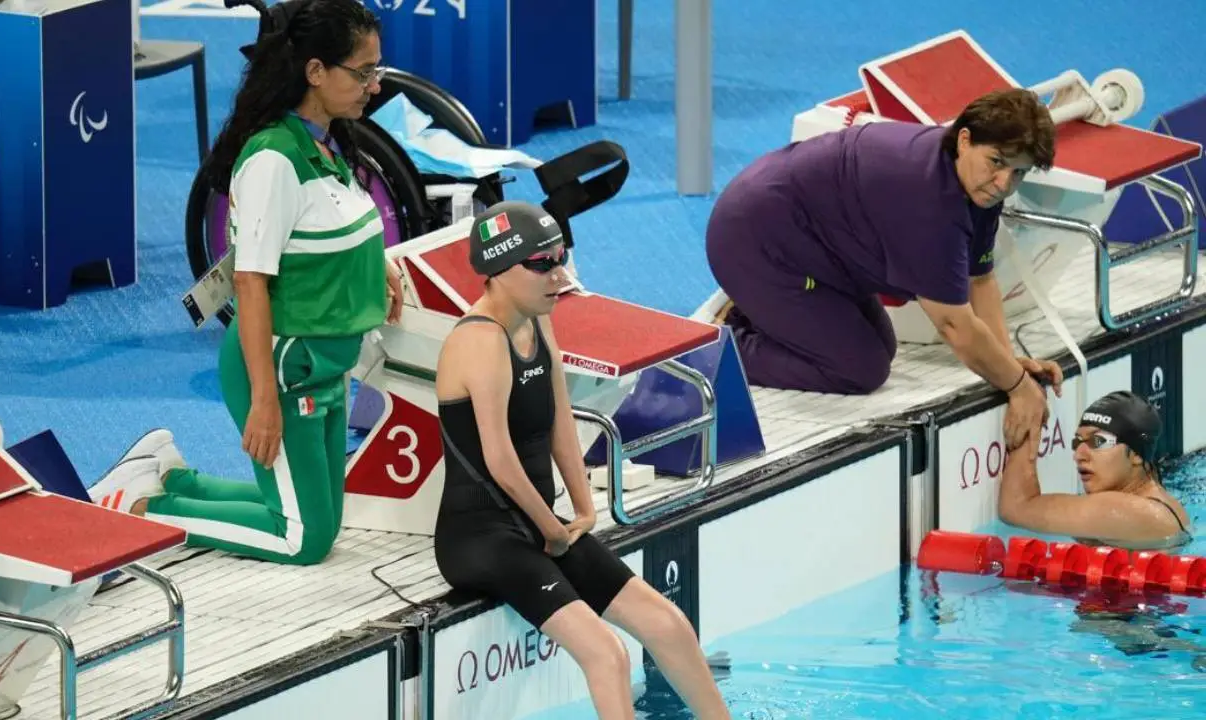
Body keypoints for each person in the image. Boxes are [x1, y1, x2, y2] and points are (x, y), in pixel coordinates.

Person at [89, 0, 403, 566]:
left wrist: (372, 262)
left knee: (321, 517)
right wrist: (264, 402)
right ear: (315, 71)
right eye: (362, 72)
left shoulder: (327, 142)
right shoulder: (272, 160)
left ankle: (175, 480)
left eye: (375, 70)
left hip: (325, 367)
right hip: (284, 368)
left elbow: (327, 225)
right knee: (302, 539)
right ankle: (141, 512)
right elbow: (251, 284)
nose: (374, 86)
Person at [432, 201, 730, 720]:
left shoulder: (537, 322)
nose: (559, 276)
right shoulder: (479, 340)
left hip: (538, 526)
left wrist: (583, 507)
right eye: (541, 264)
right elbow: (500, 459)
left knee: (667, 624)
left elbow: (560, 422)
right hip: (480, 538)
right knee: (607, 654)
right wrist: (551, 528)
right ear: (499, 270)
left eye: (560, 258)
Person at [705, 88, 1064, 451]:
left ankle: (759, 309)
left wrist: (1009, 362)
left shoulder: (976, 183)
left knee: (881, 346)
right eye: (997, 162)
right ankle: (717, 347)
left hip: (815, 243)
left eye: (1019, 172)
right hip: (752, 241)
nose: (1004, 183)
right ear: (965, 140)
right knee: (858, 368)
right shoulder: (930, 202)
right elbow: (954, 325)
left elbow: (980, 280)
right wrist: (1017, 386)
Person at [998, 391, 1193, 550]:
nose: (1079, 455)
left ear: (1136, 455)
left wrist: (1029, 407)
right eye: (1077, 442)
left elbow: (1016, 508)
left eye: (1098, 441)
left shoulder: (1124, 511)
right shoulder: (1163, 505)